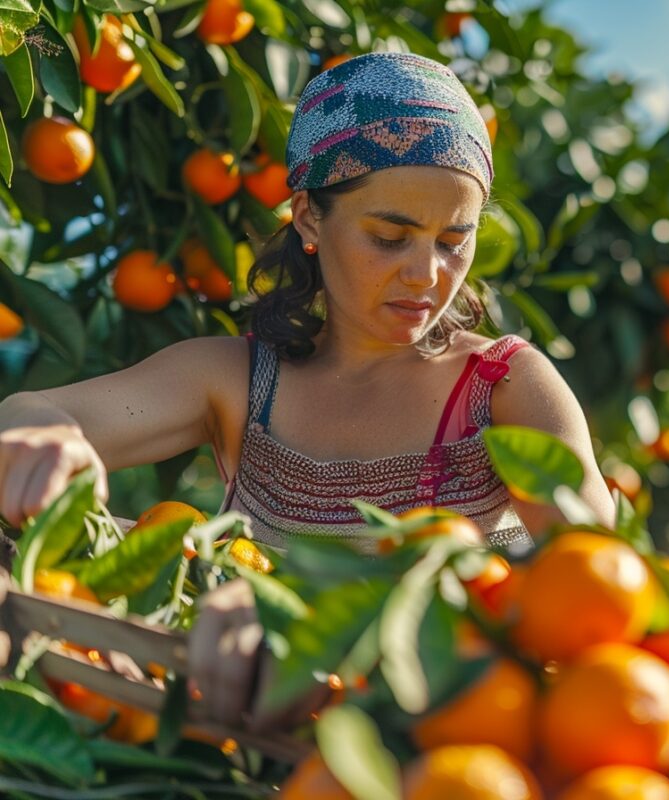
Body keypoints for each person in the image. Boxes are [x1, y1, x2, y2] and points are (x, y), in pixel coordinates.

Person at [0, 52, 616, 730]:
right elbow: (47, 415)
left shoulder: (503, 388)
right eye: (390, 237)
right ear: (310, 218)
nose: (427, 274)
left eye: (453, 240)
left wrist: (303, 611)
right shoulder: (239, 382)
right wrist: (34, 424)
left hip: (453, 750)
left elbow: (592, 576)